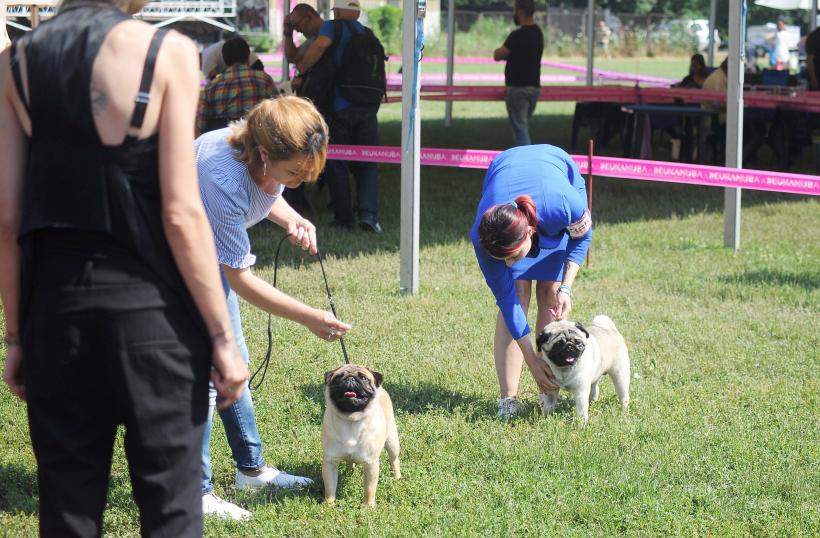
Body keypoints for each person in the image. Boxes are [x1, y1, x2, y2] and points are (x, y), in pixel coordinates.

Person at [0, 0, 249, 535]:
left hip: (55, 312)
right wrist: (221, 335)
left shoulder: (14, 62)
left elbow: (7, 217)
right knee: (171, 508)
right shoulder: (171, 53)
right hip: (153, 318)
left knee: (67, 511)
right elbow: (181, 214)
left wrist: (17, 334)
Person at [196, 96, 352, 520]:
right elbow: (238, 278)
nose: (300, 182)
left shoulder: (266, 158)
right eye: (295, 173)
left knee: (235, 363)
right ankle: (196, 491)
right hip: (168, 260)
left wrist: (290, 219)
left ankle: (251, 470)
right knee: (207, 374)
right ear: (265, 154)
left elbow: (266, 191)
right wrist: (309, 317)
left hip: (208, 253)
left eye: (309, 173)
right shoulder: (220, 175)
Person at [470, 145, 592, 419]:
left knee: (549, 290)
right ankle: (508, 400)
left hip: (555, 173)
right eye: (502, 260)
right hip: (505, 169)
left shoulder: (562, 204)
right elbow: (508, 302)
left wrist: (566, 287)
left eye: (512, 257)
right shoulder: (483, 236)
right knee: (517, 290)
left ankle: (548, 391)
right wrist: (530, 357)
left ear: (531, 233)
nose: (509, 265)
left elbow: (582, 237)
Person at [297, 0, 384, 233]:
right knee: (368, 162)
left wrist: (302, 70)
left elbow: (319, 47)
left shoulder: (332, 28)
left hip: (340, 104)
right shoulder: (368, 32)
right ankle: (368, 215)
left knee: (338, 162)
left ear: (339, 11)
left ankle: (344, 218)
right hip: (368, 105)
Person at [197, 36, 276, 134]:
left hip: (224, 143)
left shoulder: (211, 88)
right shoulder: (265, 80)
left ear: (225, 61)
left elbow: (201, 126)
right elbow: (277, 115)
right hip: (257, 142)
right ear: (248, 57)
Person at [493, 0, 544, 147]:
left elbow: (498, 54)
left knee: (520, 130)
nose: (513, 13)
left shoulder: (516, 35)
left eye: (514, 10)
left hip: (517, 89)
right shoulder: (538, 33)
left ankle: (525, 161)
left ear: (520, 12)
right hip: (534, 88)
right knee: (521, 126)